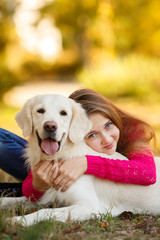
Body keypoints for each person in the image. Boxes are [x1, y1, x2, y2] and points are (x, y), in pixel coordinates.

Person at [0, 88, 157, 200]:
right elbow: (32, 182)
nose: (107, 139)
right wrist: (38, 184)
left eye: (108, 125)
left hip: (85, 173)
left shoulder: (132, 129)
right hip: (56, 164)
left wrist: (87, 163)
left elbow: (147, 173)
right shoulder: (71, 140)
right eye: (92, 134)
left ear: (114, 117)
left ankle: (13, 191)